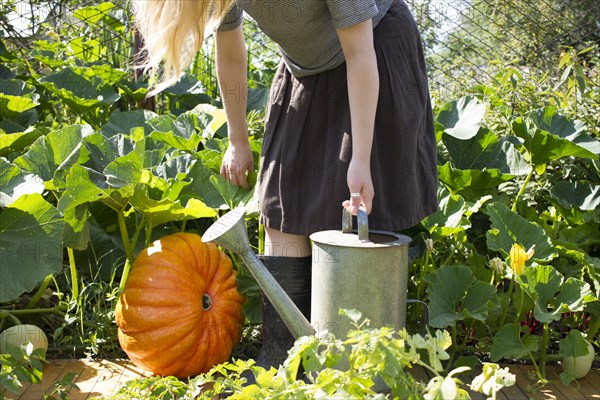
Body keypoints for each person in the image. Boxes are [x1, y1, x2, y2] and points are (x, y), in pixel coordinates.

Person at [134, 0, 438, 370]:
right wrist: (237, 139)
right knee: (282, 205)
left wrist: (361, 159)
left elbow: (359, 53)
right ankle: (283, 360)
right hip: (303, 67)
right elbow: (229, 52)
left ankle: (359, 366)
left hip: (373, 52)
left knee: (357, 204)